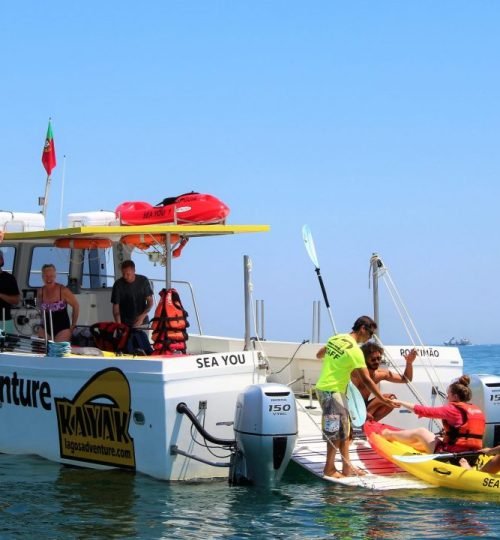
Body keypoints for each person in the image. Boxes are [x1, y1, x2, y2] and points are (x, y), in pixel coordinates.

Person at [315, 315, 397, 478]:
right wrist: (382, 398)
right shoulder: (355, 351)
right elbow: (367, 379)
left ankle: (347, 468)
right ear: (362, 329)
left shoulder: (336, 338)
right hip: (331, 392)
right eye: (370, 334)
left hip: (332, 390)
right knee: (335, 432)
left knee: (345, 431)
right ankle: (329, 469)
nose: (370, 338)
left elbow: (319, 354)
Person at [381, 375, 485, 454]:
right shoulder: (476, 409)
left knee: (421, 432)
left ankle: (387, 434)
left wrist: (400, 402)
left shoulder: (452, 409)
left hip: (452, 454)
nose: (447, 398)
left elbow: (424, 411)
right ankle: (401, 440)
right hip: (472, 454)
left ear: (456, 396)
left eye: (448, 395)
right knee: (432, 439)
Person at [351, 343, 417, 421]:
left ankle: (370, 423)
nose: (377, 362)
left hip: (365, 406)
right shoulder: (355, 372)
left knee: (391, 399)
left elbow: (406, 379)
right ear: (364, 360)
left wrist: (409, 363)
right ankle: (364, 419)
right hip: (350, 406)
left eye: (379, 358)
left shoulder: (380, 374)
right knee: (384, 400)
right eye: (373, 359)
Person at [111, 260, 154, 354]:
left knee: (143, 346)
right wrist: (119, 326)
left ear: (134, 271)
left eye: (128, 274)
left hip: (142, 323)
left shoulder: (143, 281)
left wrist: (142, 317)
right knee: (128, 350)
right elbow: (116, 308)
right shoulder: (118, 285)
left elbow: (150, 302)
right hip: (125, 324)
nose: (125, 276)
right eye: (123, 274)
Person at [38, 264, 80, 342]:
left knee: (58, 352)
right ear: (42, 276)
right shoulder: (40, 292)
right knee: (42, 352)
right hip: (44, 328)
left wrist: (73, 325)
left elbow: (76, 305)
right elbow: (40, 309)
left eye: (51, 276)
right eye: (46, 276)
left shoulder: (63, 290)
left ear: (55, 276)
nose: (48, 278)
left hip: (62, 328)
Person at [0, 249, 21, 334]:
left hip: (4, 320)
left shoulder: (9, 278)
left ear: (2, 260)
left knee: (5, 347)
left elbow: (16, 300)